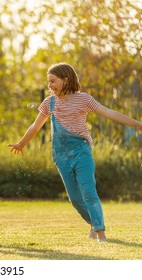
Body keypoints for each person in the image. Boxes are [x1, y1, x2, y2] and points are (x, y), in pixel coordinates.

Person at [8, 62, 142, 242]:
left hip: (81, 152)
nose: (50, 86)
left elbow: (109, 112)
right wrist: (21, 143)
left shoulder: (84, 99)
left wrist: (137, 124)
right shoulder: (50, 103)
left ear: (66, 79)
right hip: (61, 156)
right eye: (49, 82)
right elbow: (35, 126)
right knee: (76, 200)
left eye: (53, 81)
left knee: (88, 192)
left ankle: (100, 233)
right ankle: (93, 223)